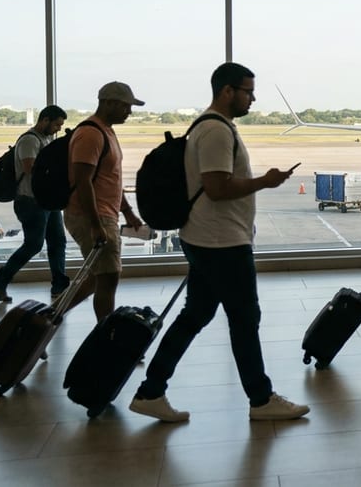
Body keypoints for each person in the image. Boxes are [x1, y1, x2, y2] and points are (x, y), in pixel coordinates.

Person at [129, 63, 309, 422]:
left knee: (195, 315)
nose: (253, 98)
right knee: (245, 318)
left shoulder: (213, 127)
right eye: (248, 91)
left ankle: (151, 391)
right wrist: (265, 181)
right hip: (220, 242)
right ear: (227, 91)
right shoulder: (215, 131)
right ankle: (261, 399)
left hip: (207, 237)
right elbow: (217, 187)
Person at [63, 83, 144, 323]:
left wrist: (127, 212)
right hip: (93, 216)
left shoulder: (106, 131)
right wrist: (95, 224)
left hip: (103, 214)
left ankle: (46, 319)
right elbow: (83, 181)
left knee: (96, 279)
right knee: (108, 278)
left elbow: (110, 180)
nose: (129, 112)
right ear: (108, 103)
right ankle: (107, 341)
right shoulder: (90, 134)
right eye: (125, 106)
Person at [0, 106, 69, 303]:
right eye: (56, 124)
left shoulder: (46, 139)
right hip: (31, 202)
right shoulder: (29, 140)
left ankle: (60, 285)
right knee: (34, 244)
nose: (58, 129)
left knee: (57, 242)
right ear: (45, 120)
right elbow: (31, 167)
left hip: (46, 201)